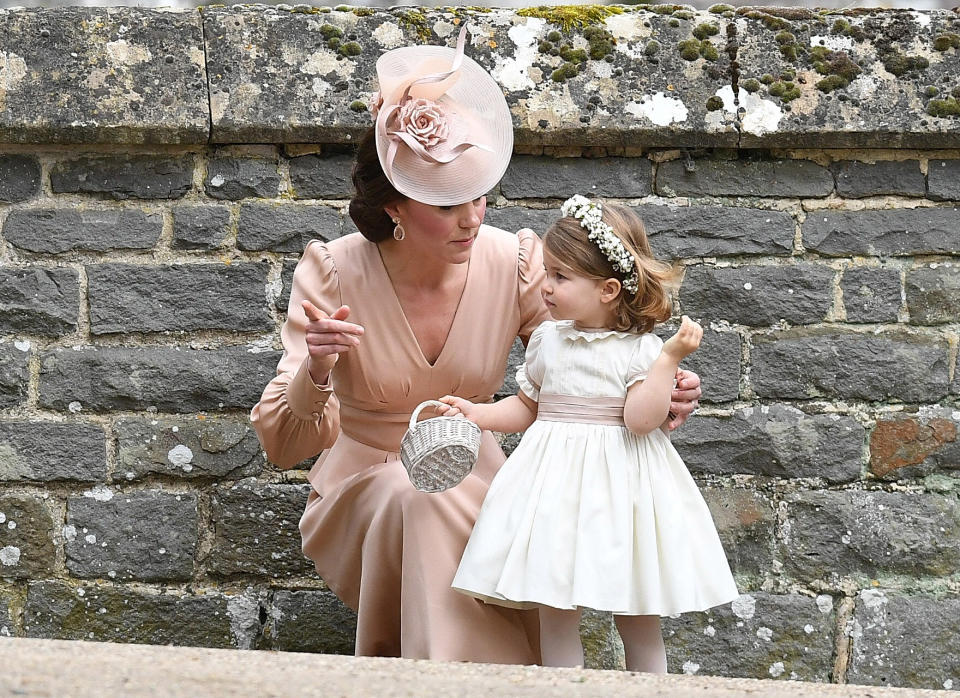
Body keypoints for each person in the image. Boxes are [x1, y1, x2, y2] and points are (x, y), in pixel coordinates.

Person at [250, 27, 702, 663]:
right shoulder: (333, 271)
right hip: (367, 486)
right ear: (397, 209)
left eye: (479, 195)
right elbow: (283, 443)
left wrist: (662, 383)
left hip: (484, 476)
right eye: (448, 203)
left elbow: (583, 355)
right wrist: (317, 369)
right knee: (416, 497)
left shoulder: (515, 261)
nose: (472, 217)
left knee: (462, 504)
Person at [438, 196, 738, 671]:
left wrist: (669, 359)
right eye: (547, 273)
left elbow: (640, 420)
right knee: (554, 607)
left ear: (608, 289)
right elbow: (529, 408)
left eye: (560, 277)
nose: (546, 287)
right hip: (555, 492)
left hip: (624, 492)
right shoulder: (547, 341)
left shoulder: (641, 350)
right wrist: (477, 415)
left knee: (637, 613)